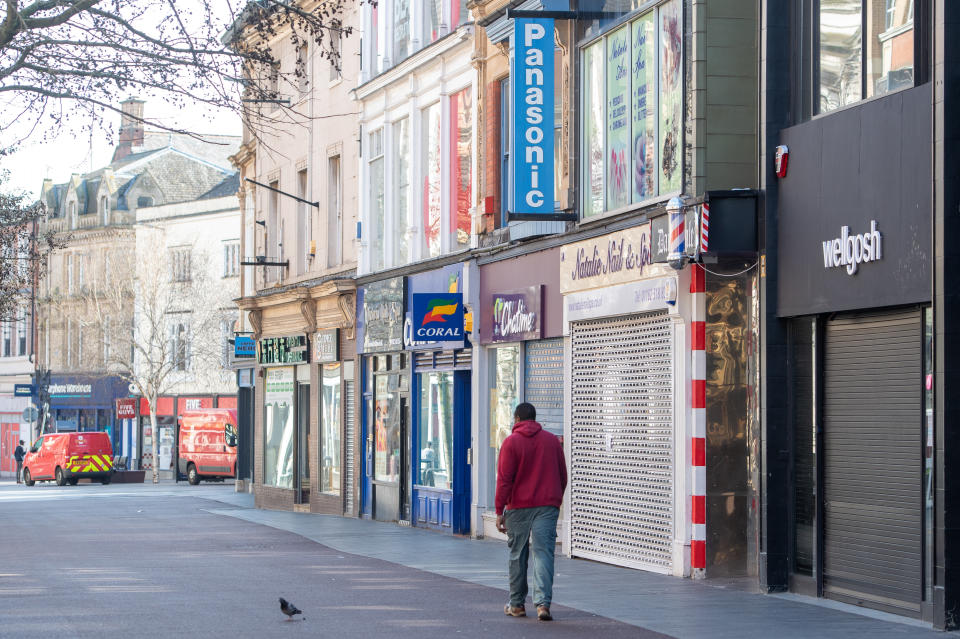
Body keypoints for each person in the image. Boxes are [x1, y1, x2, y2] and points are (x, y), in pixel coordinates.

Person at [495, 403, 567, 622]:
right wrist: (554, 500)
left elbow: (505, 480)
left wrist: (499, 510)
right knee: (544, 552)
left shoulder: (511, 442)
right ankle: (543, 604)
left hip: (519, 507)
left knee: (518, 554)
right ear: (535, 419)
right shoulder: (552, 441)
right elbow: (562, 475)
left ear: (517, 419)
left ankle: (517, 605)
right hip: (547, 506)